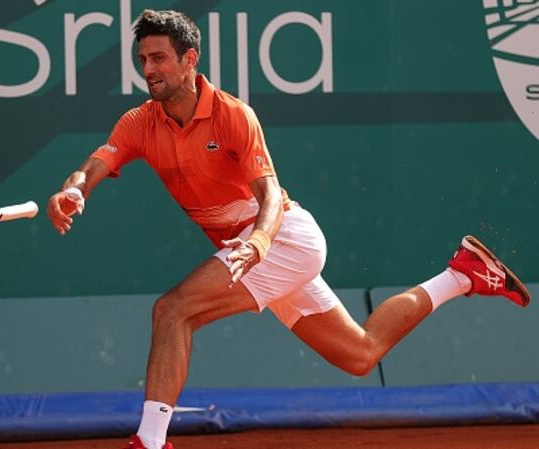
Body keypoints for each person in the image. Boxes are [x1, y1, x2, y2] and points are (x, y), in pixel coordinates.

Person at [46, 9, 531, 449]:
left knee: (173, 311)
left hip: (282, 240)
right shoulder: (138, 123)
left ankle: (150, 443)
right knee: (361, 353)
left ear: (189, 59)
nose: (149, 69)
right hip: (249, 253)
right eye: (143, 59)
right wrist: (75, 191)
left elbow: (270, 195)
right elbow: (94, 165)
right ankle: (464, 275)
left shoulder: (234, 115)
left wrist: (257, 243)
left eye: (159, 58)